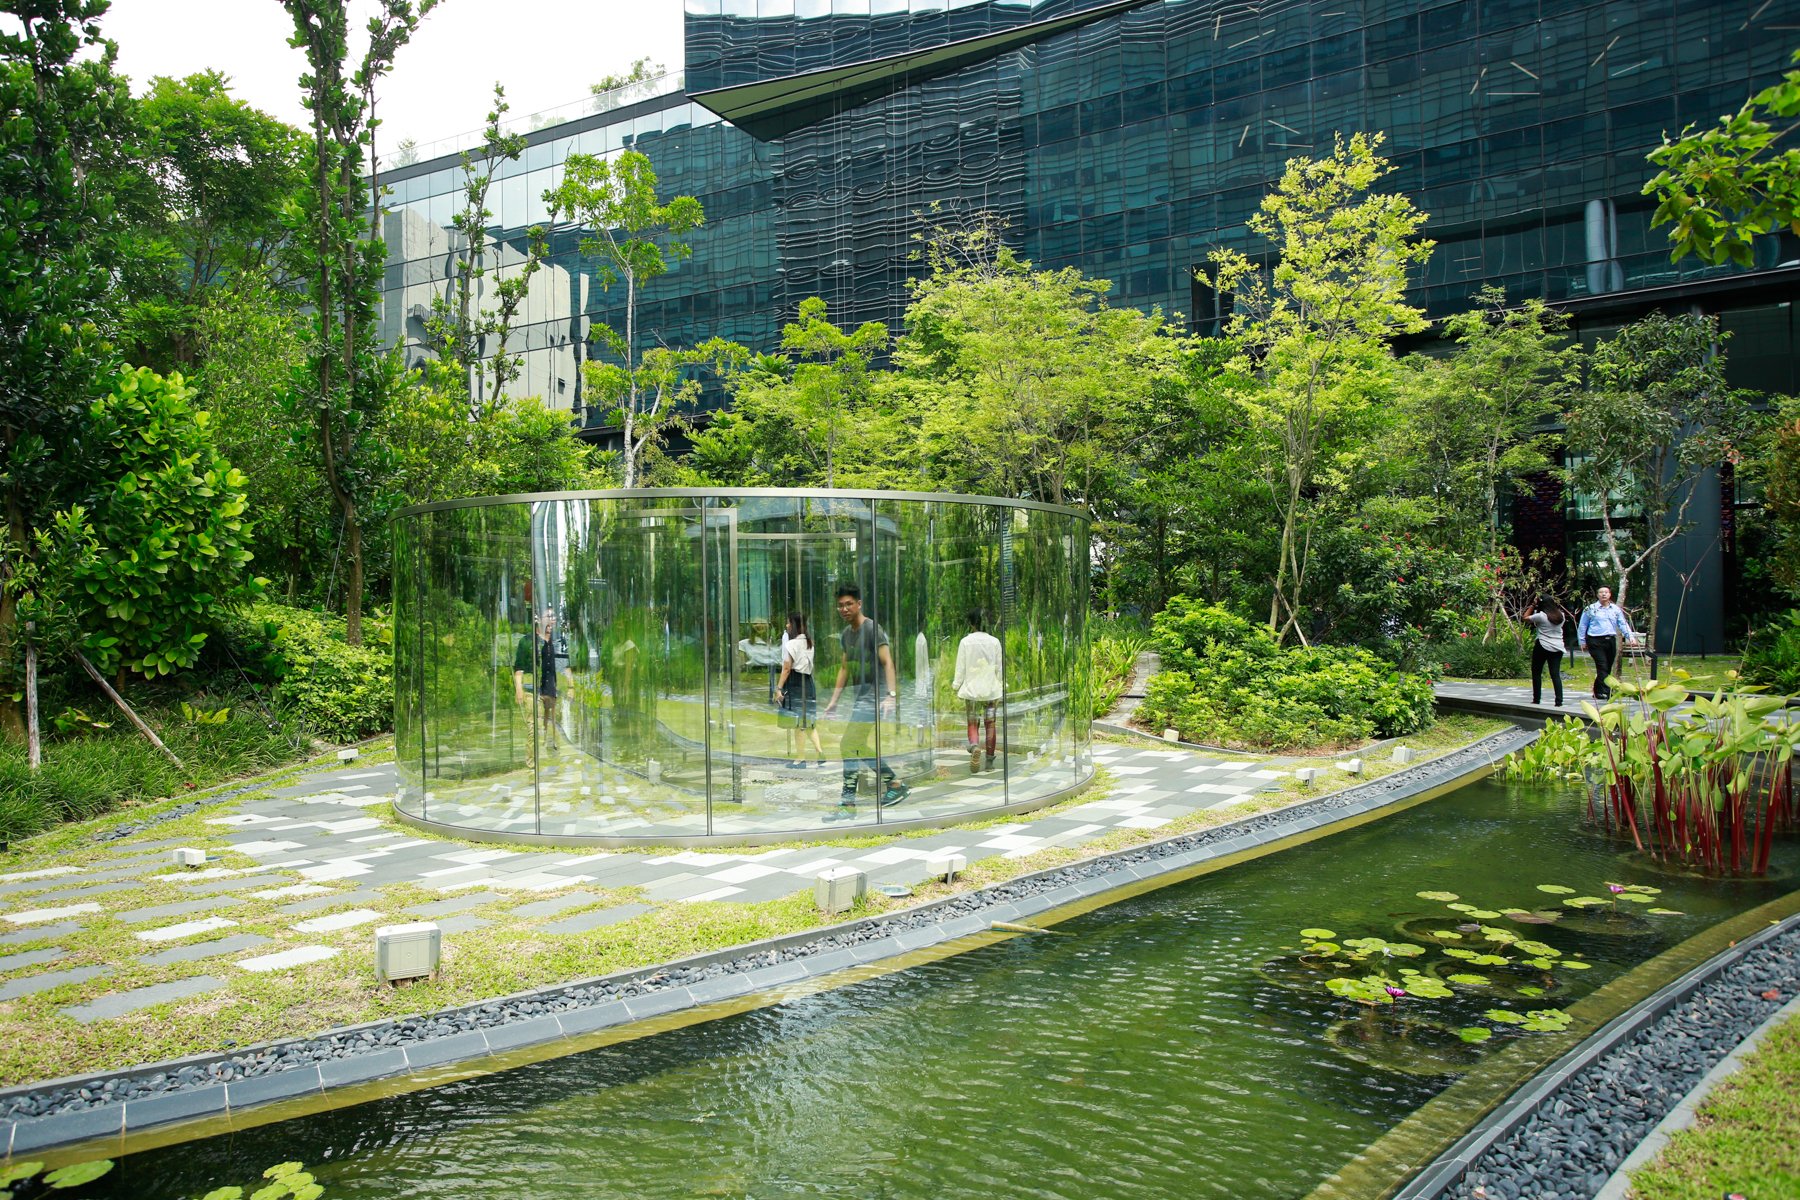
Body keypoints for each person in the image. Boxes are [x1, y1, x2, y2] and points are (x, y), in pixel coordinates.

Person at [820, 583, 907, 820]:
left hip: (876, 697)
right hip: (863, 697)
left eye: (849, 604)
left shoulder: (872, 629)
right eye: (840, 605)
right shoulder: (847, 634)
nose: (844, 609)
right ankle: (894, 784)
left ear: (859, 604)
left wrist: (891, 696)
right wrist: (833, 702)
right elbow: (844, 668)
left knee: (849, 744)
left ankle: (848, 804)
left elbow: (888, 662)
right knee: (855, 746)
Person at [953, 608, 1004, 773]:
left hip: (972, 691)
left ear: (971, 623)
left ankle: (975, 746)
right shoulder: (995, 642)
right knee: (990, 724)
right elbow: (999, 668)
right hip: (990, 691)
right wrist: (1001, 683)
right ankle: (989, 761)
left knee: (972, 722)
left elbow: (960, 668)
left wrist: (956, 685)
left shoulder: (965, 642)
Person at [774, 611, 825, 769]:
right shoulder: (809, 642)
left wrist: (778, 688)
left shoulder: (792, 644)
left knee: (798, 725)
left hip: (796, 683)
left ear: (794, 625)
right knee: (808, 721)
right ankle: (819, 751)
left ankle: (800, 759)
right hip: (808, 683)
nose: (787, 626)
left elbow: (787, 668)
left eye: (789, 623)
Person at [513, 609, 566, 755]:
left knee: (550, 731)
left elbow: (562, 667)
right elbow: (519, 667)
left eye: (553, 617)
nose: (551, 619)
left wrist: (568, 686)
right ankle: (532, 767)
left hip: (550, 691)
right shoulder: (527, 641)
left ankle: (549, 764)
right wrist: (519, 689)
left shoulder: (555, 642)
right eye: (548, 616)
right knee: (533, 729)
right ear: (538, 620)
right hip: (532, 690)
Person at [1577, 586, 1639, 701]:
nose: (1604, 594)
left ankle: (1597, 690)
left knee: (1607, 667)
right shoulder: (1590, 609)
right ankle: (1606, 691)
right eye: (1601, 592)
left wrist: (1630, 637)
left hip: (1610, 640)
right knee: (1602, 665)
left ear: (1610, 594)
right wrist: (1582, 641)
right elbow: (1583, 625)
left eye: (1606, 592)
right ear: (1597, 595)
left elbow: (1622, 624)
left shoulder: (1615, 609)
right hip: (1595, 640)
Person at [1523, 597, 1566, 707]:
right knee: (1555, 674)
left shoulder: (1541, 616)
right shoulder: (1561, 615)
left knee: (1536, 672)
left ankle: (1536, 699)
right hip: (1558, 647)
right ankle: (1559, 701)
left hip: (1543, 644)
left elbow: (1525, 617)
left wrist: (1532, 605)